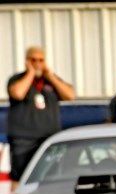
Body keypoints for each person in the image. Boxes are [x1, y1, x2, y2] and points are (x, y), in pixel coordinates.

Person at [5, 46, 75, 182]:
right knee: (20, 178)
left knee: (52, 178)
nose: (37, 64)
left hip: (49, 139)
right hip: (23, 140)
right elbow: (17, 93)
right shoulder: (17, 79)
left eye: (41, 60)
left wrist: (50, 76)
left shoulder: (50, 80)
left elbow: (70, 95)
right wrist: (30, 73)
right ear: (27, 61)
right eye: (33, 60)